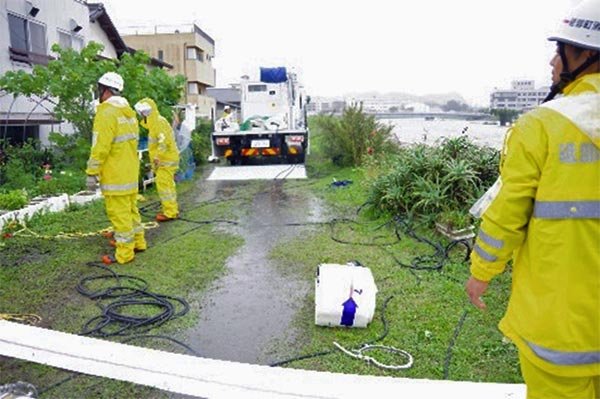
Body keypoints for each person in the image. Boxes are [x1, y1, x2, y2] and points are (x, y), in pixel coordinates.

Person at [465, 1, 600, 397]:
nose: (552, 63)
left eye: (560, 51)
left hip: (561, 325)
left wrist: (481, 273)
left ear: (586, 55)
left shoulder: (542, 125)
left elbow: (508, 212)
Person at [85, 72, 147, 265]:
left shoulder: (106, 113)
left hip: (115, 174)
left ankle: (124, 253)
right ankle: (138, 242)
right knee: (131, 211)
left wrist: (91, 172)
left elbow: (100, 147)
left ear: (105, 90)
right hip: (129, 172)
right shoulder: (128, 113)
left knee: (119, 216)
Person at [134, 98, 179, 222]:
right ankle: (171, 209)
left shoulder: (159, 122)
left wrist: (158, 156)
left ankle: (170, 212)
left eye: (143, 113)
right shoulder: (155, 123)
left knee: (164, 186)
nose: (142, 115)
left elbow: (163, 141)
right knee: (168, 185)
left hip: (166, 160)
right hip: (165, 159)